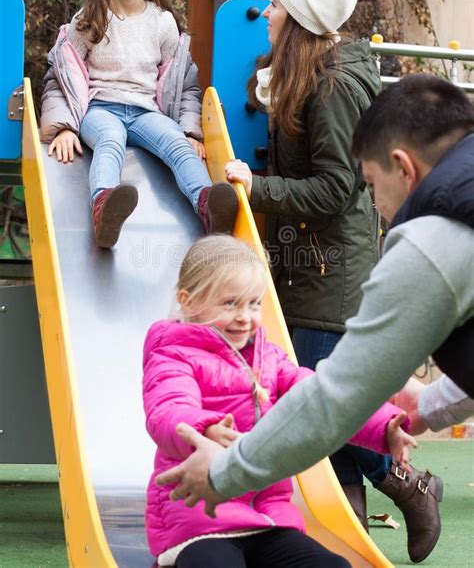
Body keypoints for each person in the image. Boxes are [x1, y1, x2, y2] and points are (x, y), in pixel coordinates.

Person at [156, 74, 474, 563]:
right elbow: (169, 408)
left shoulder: (434, 237)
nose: (377, 209)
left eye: (370, 187)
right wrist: (427, 403)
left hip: (257, 512)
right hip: (201, 527)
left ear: (402, 168)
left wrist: (222, 474)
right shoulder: (174, 349)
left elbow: (335, 399)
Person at [224, 0, 432, 553]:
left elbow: (335, 188)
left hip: (332, 267)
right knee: (322, 406)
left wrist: (255, 187)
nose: (266, 15)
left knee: (321, 406)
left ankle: (410, 484)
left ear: (300, 20)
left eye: (275, 6)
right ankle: (352, 537)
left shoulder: (335, 86)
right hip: (312, 263)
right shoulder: (309, 75)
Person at [143, 235, 416, 567]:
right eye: (230, 303)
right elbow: (169, 408)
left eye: (254, 304)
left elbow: (322, 397)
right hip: (200, 520)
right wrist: (206, 431)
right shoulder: (174, 353)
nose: (245, 317)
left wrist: (383, 426)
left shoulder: (268, 357)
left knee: (333, 566)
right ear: (189, 301)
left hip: (268, 519)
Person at [40, 0, 237, 248]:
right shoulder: (90, 19)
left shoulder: (162, 22)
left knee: (176, 144)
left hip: (146, 111)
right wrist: (63, 128)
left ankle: (206, 204)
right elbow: (60, 76)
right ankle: (104, 206)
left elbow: (185, 83)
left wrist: (189, 131)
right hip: (100, 108)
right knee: (110, 139)